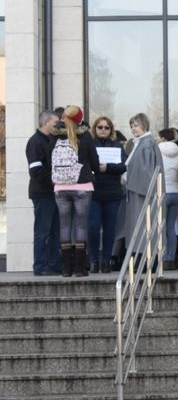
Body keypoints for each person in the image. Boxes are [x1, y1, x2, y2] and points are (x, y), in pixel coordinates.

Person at [50, 106, 100, 276]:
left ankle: (66, 268)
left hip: (60, 186)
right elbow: (94, 162)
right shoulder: (85, 136)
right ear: (80, 119)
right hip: (82, 186)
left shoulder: (54, 136)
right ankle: (79, 268)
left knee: (64, 225)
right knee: (80, 225)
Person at [120, 113, 163, 264]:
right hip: (138, 190)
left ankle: (144, 259)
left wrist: (129, 177)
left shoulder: (146, 144)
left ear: (144, 125)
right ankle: (143, 258)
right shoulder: (142, 143)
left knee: (143, 225)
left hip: (142, 192)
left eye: (136, 125)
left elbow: (147, 170)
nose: (133, 128)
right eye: (132, 126)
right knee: (140, 225)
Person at [87, 115, 127, 273]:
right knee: (93, 227)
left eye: (106, 127)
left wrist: (107, 168)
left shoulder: (117, 145)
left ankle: (106, 261)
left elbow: (124, 166)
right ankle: (94, 260)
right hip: (94, 191)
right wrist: (98, 168)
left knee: (110, 228)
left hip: (112, 192)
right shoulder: (89, 144)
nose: (103, 130)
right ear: (95, 129)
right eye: (100, 127)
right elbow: (85, 163)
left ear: (111, 130)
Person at [27, 110, 61, 276]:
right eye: (55, 123)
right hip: (43, 193)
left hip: (54, 192)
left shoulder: (52, 141)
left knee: (55, 230)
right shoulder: (35, 142)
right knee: (43, 231)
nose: (58, 126)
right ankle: (40, 266)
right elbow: (36, 171)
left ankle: (54, 264)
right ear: (45, 123)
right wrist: (55, 179)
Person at [156, 128, 178, 271]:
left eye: (158, 136)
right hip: (175, 194)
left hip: (162, 192)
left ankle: (160, 258)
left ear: (162, 138)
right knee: (171, 228)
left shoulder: (157, 151)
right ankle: (170, 259)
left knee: (160, 227)